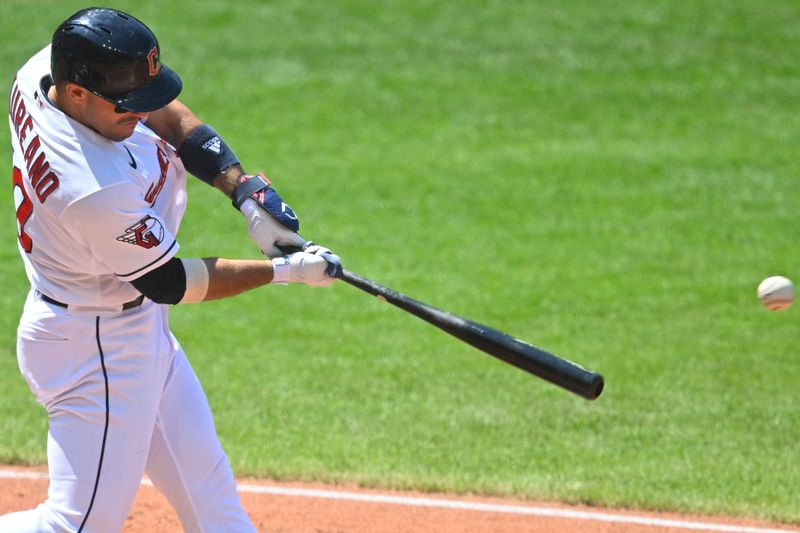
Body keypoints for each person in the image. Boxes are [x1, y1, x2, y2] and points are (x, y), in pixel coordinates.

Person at [2, 7, 341, 532]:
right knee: (75, 525)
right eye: (126, 106)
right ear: (77, 95)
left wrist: (243, 191)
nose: (140, 113)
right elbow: (170, 282)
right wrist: (286, 272)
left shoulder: (46, 70)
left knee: (212, 503)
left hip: (125, 330)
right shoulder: (93, 187)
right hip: (97, 350)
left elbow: (164, 113)